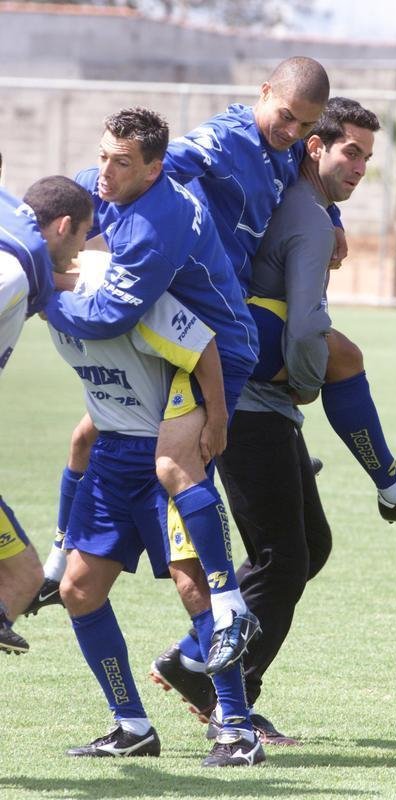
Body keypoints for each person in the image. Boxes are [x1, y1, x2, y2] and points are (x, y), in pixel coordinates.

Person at [151, 98, 396, 740]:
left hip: (259, 395)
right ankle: (225, 688)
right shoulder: (302, 211)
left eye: (367, 157)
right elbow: (303, 325)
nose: (359, 166)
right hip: (244, 397)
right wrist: (301, 378)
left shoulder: (297, 194)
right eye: (349, 151)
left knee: (307, 548)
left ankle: (196, 654)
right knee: (283, 554)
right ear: (314, 148)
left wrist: (330, 215)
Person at [41, 107, 262, 679]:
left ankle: (230, 605)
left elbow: (109, 316)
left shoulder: (154, 224)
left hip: (218, 349)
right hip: (169, 350)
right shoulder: (112, 183)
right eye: (103, 157)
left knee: (171, 462)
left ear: (152, 169)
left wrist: (43, 290)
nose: (105, 175)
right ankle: (55, 562)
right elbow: (57, 213)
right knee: (90, 431)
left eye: (121, 163)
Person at [38, 245, 264, 765]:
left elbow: (203, 345)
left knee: (195, 589)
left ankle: (237, 727)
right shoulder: (35, 297)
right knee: (79, 589)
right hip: (112, 456)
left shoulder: (118, 287)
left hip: (164, 450)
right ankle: (132, 724)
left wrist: (215, 420)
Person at [0, 169, 93, 655]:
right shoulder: (13, 271)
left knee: (24, 576)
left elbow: (57, 280)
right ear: (62, 226)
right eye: (82, 235)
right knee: (22, 576)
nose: (82, 246)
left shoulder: (21, 255)